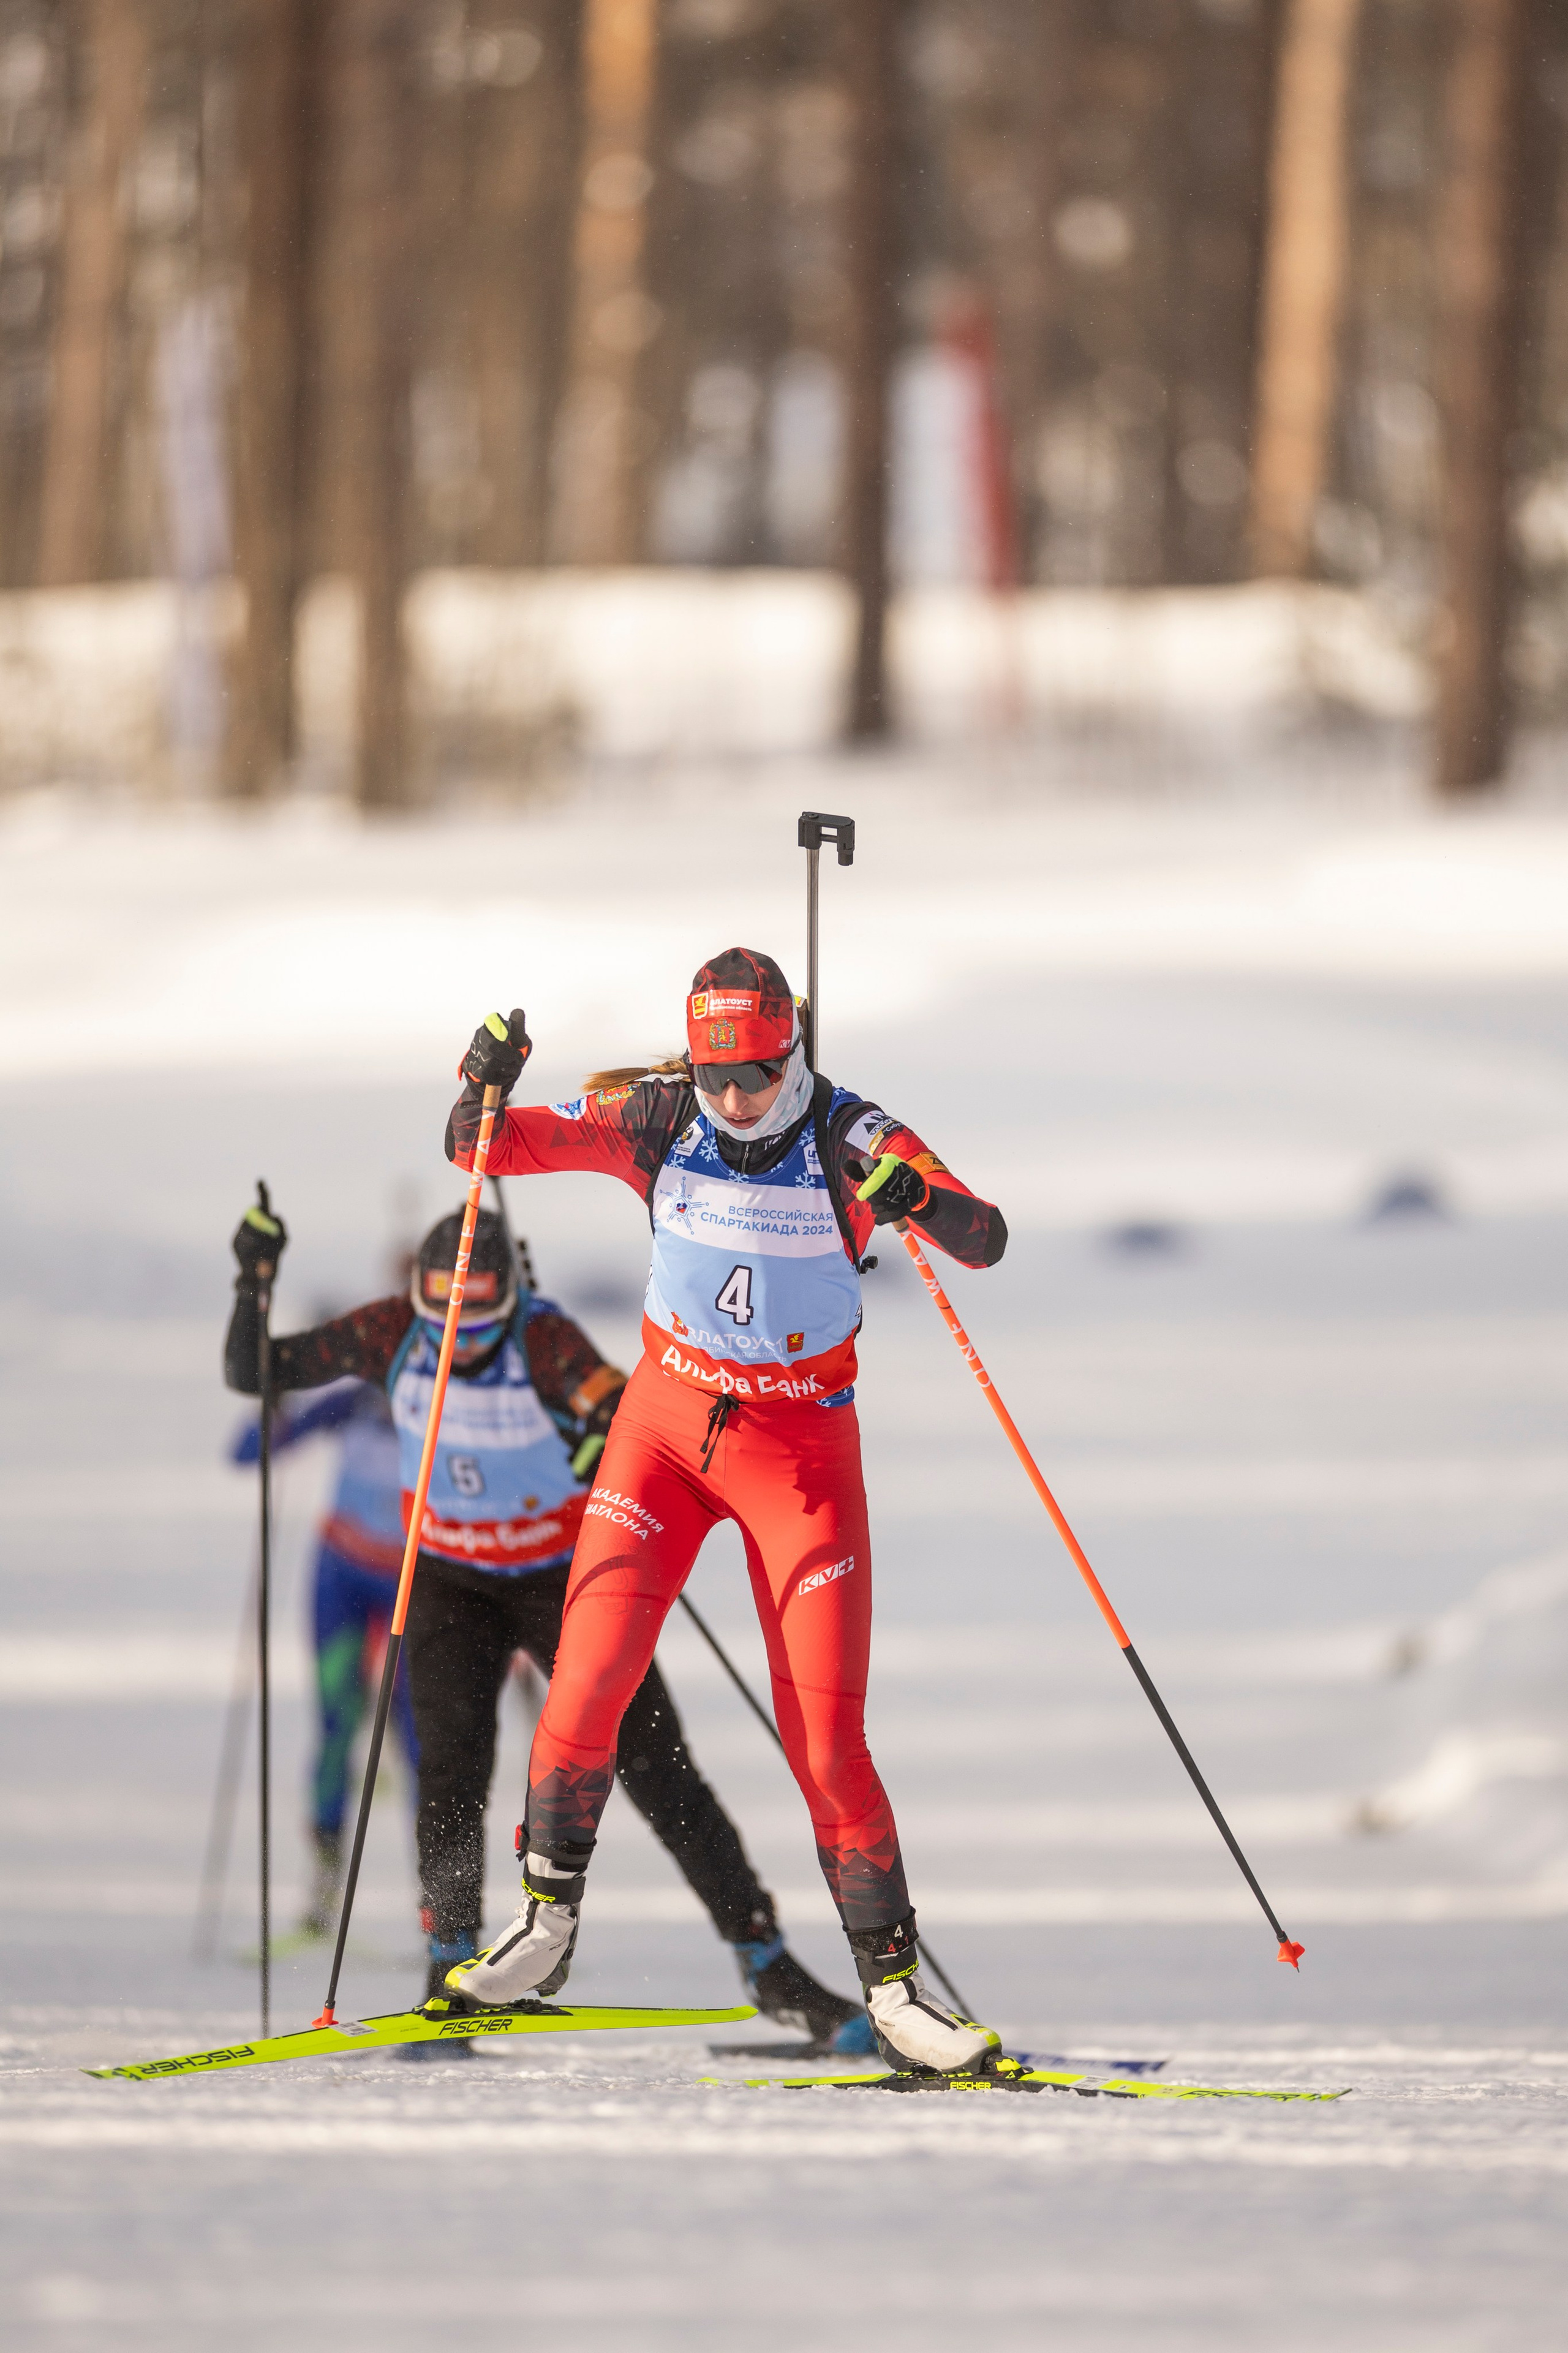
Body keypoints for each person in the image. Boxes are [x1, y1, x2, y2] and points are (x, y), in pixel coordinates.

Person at [442, 948, 1009, 2075]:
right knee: (588, 1673)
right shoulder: (653, 1115)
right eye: (718, 1075)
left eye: (758, 1071)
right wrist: (483, 1079)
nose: (738, 1096)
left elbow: (984, 1237)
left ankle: (895, 1997)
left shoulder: (854, 1136)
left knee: (826, 1739)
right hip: (663, 1432)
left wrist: (920, 1200)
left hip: (798, 1459)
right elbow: (479, 1148)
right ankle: (546, 1928)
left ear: (794, 1048)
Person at [225, 1198, 870, 2054]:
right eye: (443, 1317)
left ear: (513, 1299)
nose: (458, 1338)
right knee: (450, 1773)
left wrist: (599, 1442)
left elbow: (629, 1414)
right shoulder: (393, 1331)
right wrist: (253, 1281)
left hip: (562, 1577)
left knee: (656, 1768)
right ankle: (448, 1970)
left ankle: (769, 1963)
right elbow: (257, 1372)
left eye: (479, 1320)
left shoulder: (544, 1339)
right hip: (450, 1579)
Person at [229, 1373, 416, 1941]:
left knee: (421, 1745)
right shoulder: (353, 1400)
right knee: (334, 1729)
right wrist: (271, 1402)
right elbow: (246, 1455)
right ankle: (321, 1899)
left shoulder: (446, 1405)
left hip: (414, 1583)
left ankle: (444, 1921)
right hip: (343, 1582)